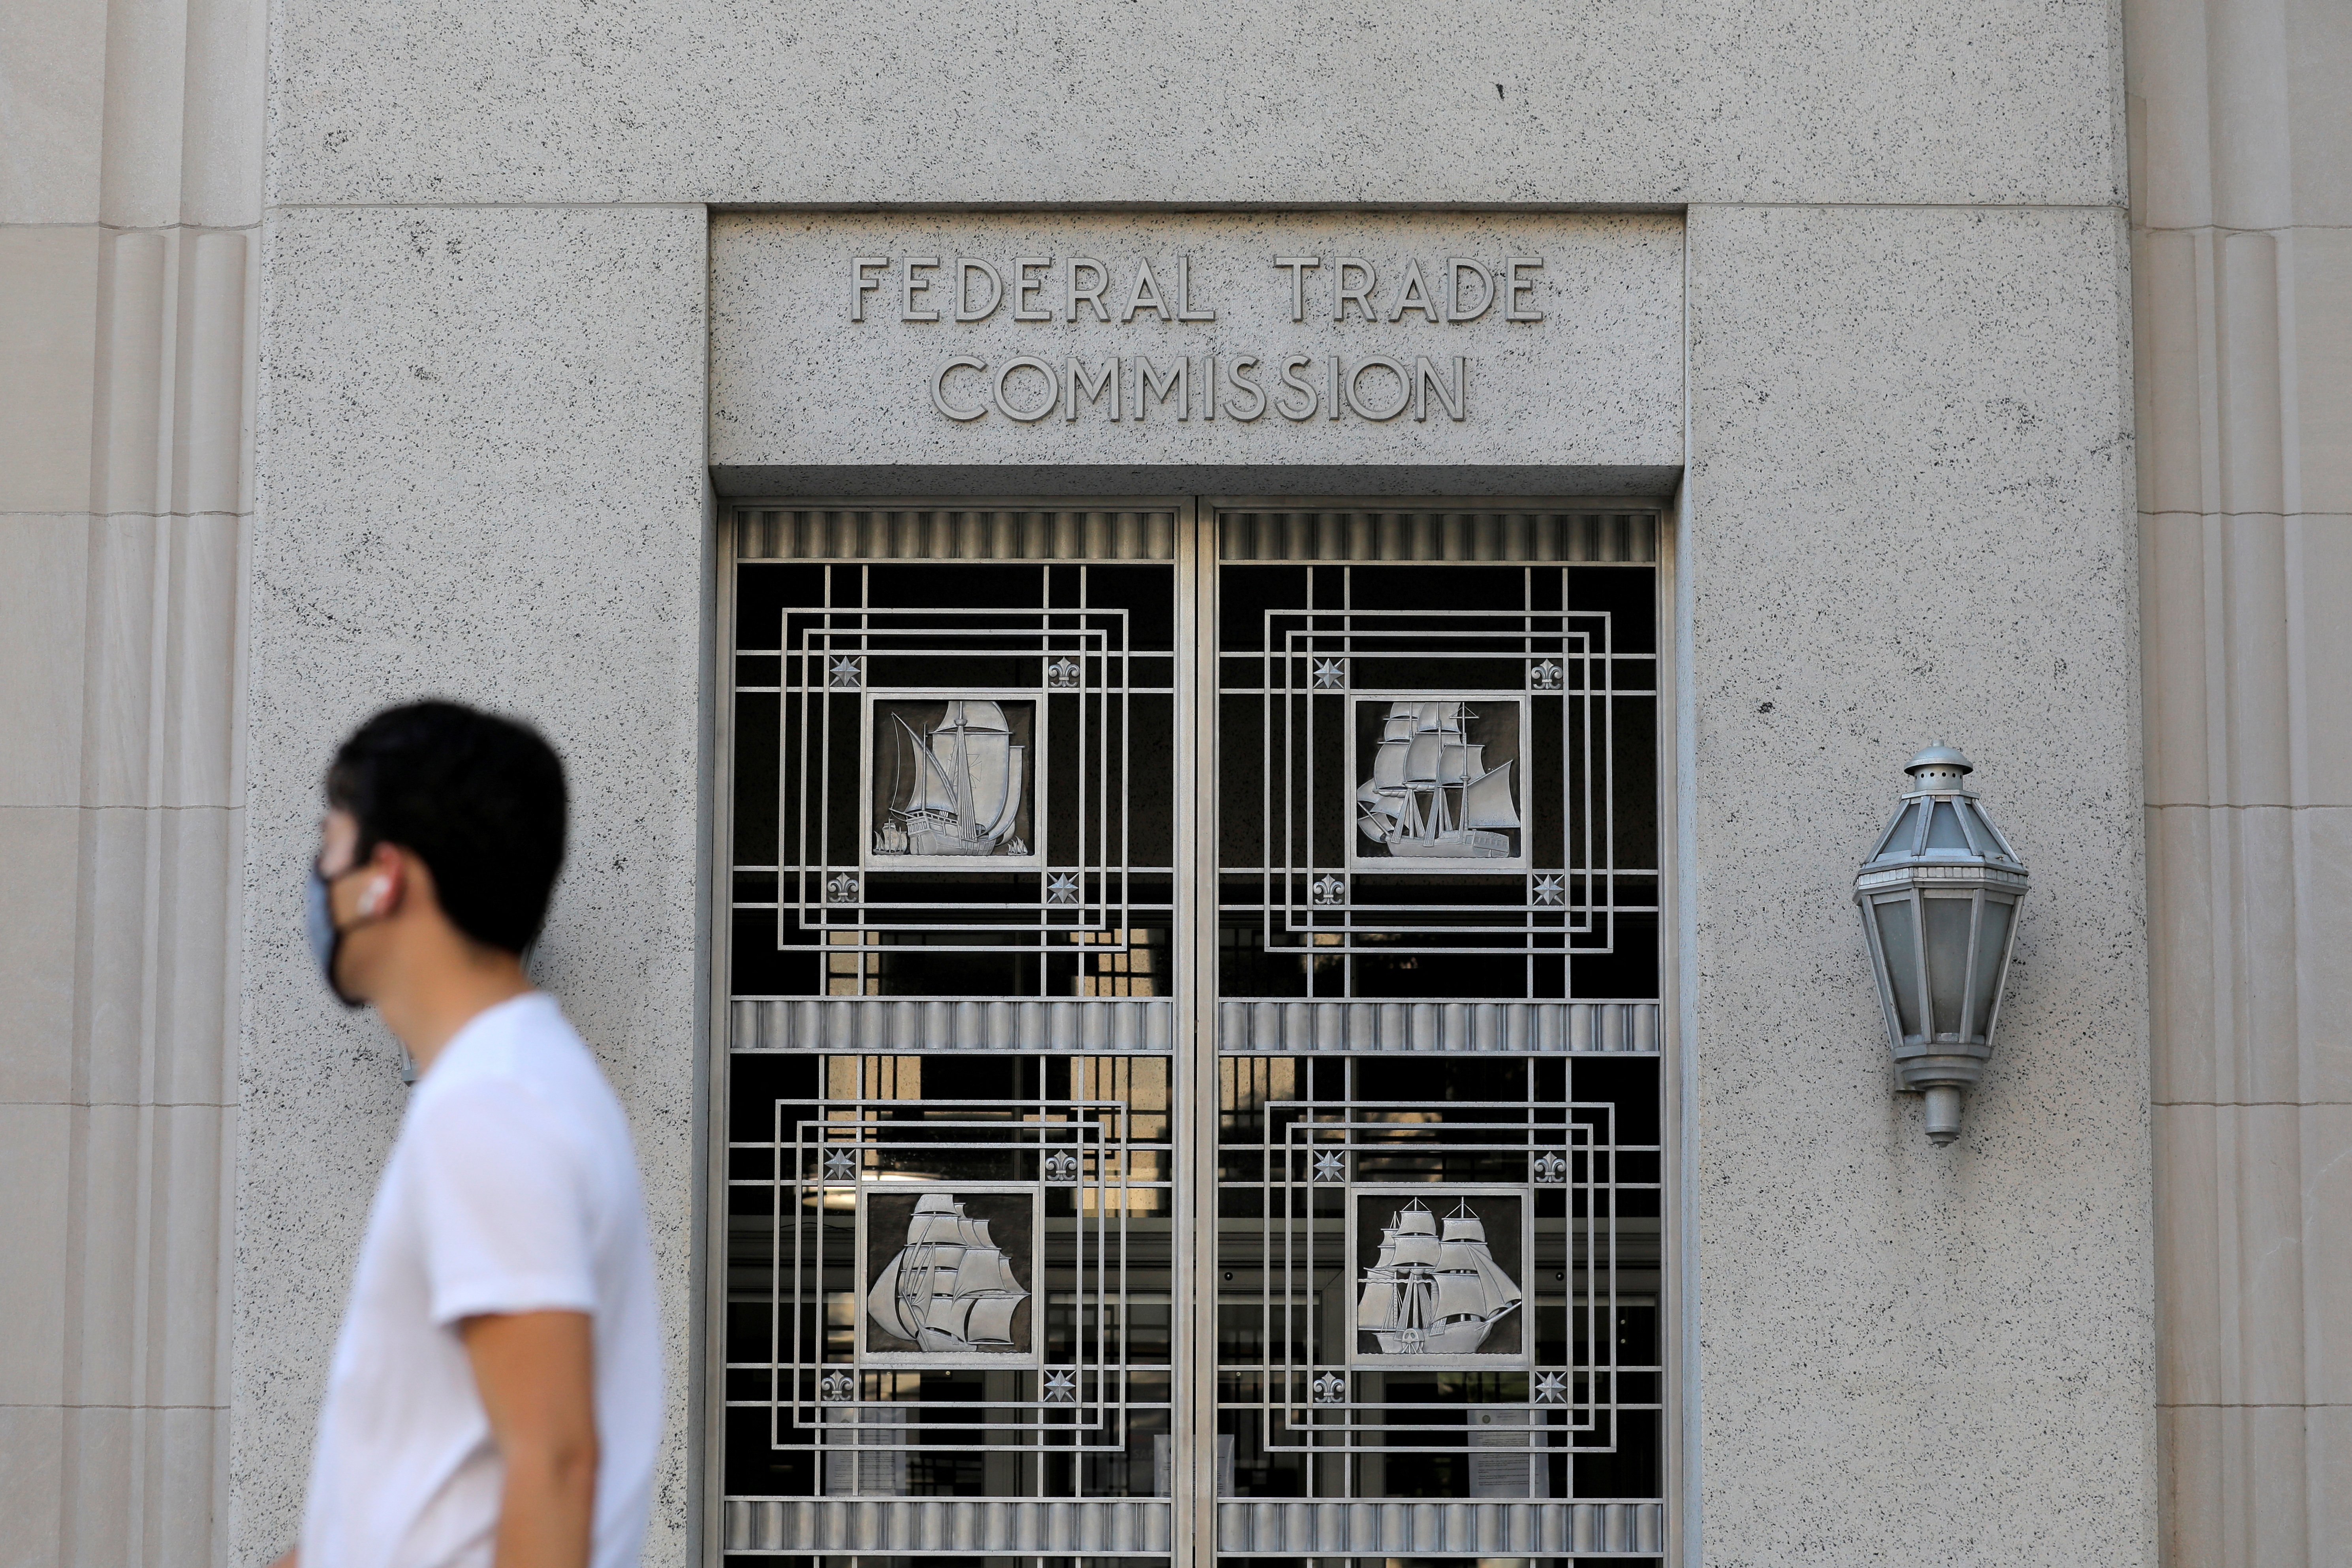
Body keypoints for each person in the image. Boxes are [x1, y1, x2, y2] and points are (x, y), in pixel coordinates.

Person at [273, 701, 662, 1568]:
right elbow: (421, 1488)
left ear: (387, 877)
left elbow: (553, 1464)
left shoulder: (494, 1104)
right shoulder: (504, 1086)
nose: (315, 875)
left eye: (330, 841)